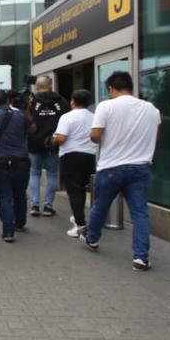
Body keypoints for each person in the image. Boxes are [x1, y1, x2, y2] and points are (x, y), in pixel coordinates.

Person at [80, 71, 161, 271]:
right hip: (141, 166)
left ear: (111, 88)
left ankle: (92, 238)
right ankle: (141, 258)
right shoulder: (151, 109)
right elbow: (155, 138)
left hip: (111, 167)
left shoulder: (106, 106)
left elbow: (95, 136)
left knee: (100, 205)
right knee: (140, 212)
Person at [0, 89, 35, 242]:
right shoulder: (20, 115)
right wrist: (27, 109)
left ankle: (8, 231)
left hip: (1, 162)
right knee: (20, 194)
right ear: (8, 101)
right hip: (21, 161)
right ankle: (20, 223)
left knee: (4, 196)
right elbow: (33, 129)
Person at [52, 89, 97, 237]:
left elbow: (61, 138)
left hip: (70, 156)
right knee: (83, 188)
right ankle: (79, 216)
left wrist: (54, 138)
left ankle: (80, 224)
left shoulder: (67, 117)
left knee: (73, 191)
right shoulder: (94, 117)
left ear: (72, 101)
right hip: (89, 156)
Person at [28, 75, 69, 217]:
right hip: (53, 142)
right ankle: (48, 206)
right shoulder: (62, 101)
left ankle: (34, 205)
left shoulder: (31, 101)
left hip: (34, 142)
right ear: (51, 86)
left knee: (34, 173)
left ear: (37, 87)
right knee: (52, 174)